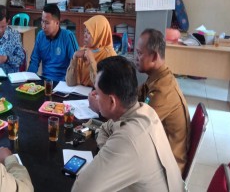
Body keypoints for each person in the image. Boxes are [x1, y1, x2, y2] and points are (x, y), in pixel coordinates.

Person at [72, 56, 184, 192]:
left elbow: (81, 188)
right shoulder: (145, 110)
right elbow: (105, 128)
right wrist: (108, 151)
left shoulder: (129, 139)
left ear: (112, 102)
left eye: (97, 92)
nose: (93, 94)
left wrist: (111, 153)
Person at [136, 28, 190, 174]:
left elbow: (138, 129)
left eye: (140, 53)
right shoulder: (157, 77)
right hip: (157, 152)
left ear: (153, 57)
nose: (136, 58)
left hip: (167, 168)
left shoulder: (163, 89)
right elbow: (136, 96)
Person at [27, 4, 79, 81]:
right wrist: (29, 79)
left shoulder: (68, 36)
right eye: (42, 21)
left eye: (47, 23)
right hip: (45, 80)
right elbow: (34, 61)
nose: (43, 26)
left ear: (57, 23)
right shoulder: (40, 35)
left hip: (63, 82)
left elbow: (76, 63)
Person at [65, 15, 116, 87]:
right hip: (81, 94)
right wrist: (74, 58)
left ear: (99, 34)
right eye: (85, 31)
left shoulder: (110, 56)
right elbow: (70, 83)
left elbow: (102, 87)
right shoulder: (83, 51)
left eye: (89, 33)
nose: (85, 35)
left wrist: (91, 59)